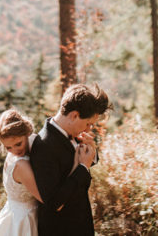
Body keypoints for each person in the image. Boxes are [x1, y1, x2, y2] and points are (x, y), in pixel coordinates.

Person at [29, 83, 111, 236]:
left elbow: (91, 160)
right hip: (61, 229)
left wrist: (91, 150)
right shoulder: (44, 146)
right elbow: (54, 202)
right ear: (74, 115)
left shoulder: (72, 135)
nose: (89, 129)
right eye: (88, 124)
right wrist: (82, 167)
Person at [0, 109, 42, 236]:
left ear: (27, 133)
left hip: (11, 212)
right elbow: (44, 198)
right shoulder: (21, 165)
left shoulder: (28, 146)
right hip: (23, 219)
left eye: (18, 144)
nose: (14, 150)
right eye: (8, 147)